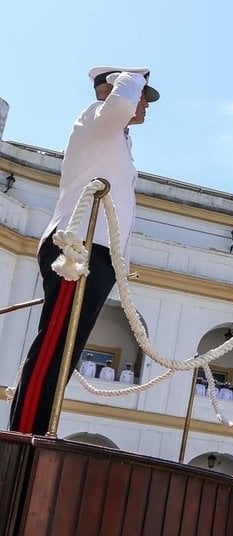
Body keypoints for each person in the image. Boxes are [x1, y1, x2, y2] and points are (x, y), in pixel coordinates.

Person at [8, 67, 158, 435]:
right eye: (142, 94)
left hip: (100, 250)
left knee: (67, 348)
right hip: (77, 246)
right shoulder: (96, 118)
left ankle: (40, 429)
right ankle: (27, 432)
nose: (144, 104)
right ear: (113, 89)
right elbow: (120, 102)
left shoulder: (115, 137)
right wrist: (130, 76)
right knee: (54, 344)